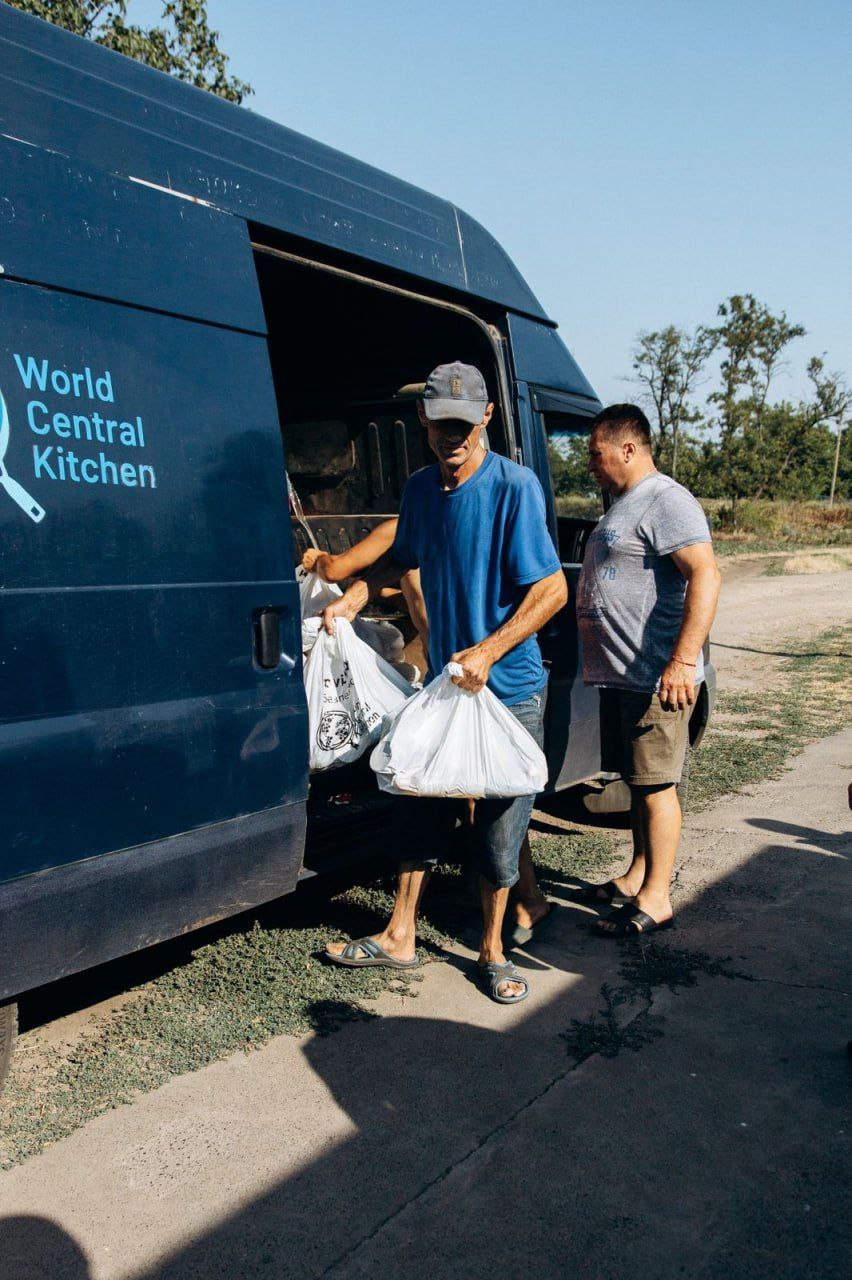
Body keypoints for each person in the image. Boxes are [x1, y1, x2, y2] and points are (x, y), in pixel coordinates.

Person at [322, 361, 567, 1002]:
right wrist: (353, 595)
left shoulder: (515, 489)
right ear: (423, 422)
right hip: (444, 687)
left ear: (486, 417)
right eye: (441, 424)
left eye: (465, 422)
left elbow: (551, 589)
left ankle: (492, 951)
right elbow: (404, 563)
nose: (452, 436)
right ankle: (401, 934)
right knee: (415, 803)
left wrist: (487, 651)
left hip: (506, 689)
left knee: (496, 831)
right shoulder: (422, 491)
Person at [575, 404, 722, 937]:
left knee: (658, 785)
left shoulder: (667, 500)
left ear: (628, 448)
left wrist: (683, 660)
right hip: (625, 676)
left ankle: (657, 897)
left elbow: (705, 574)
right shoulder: (625, 503)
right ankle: (639, 874)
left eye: (597, 454)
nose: (590, 464)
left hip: (657, 676)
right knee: (639, 783)